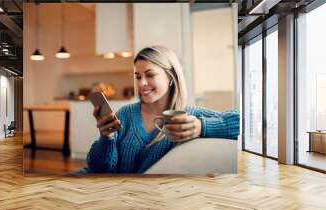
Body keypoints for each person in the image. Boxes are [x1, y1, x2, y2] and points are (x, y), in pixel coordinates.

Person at [83, 46, 239, 174]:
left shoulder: (189, 115)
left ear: (170, 76)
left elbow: (243, 121)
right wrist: (106, 138)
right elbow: (98, 168)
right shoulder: (125, 114)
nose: (142, 83)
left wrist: (202, 127)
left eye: (150, 75)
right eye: (138, 77)